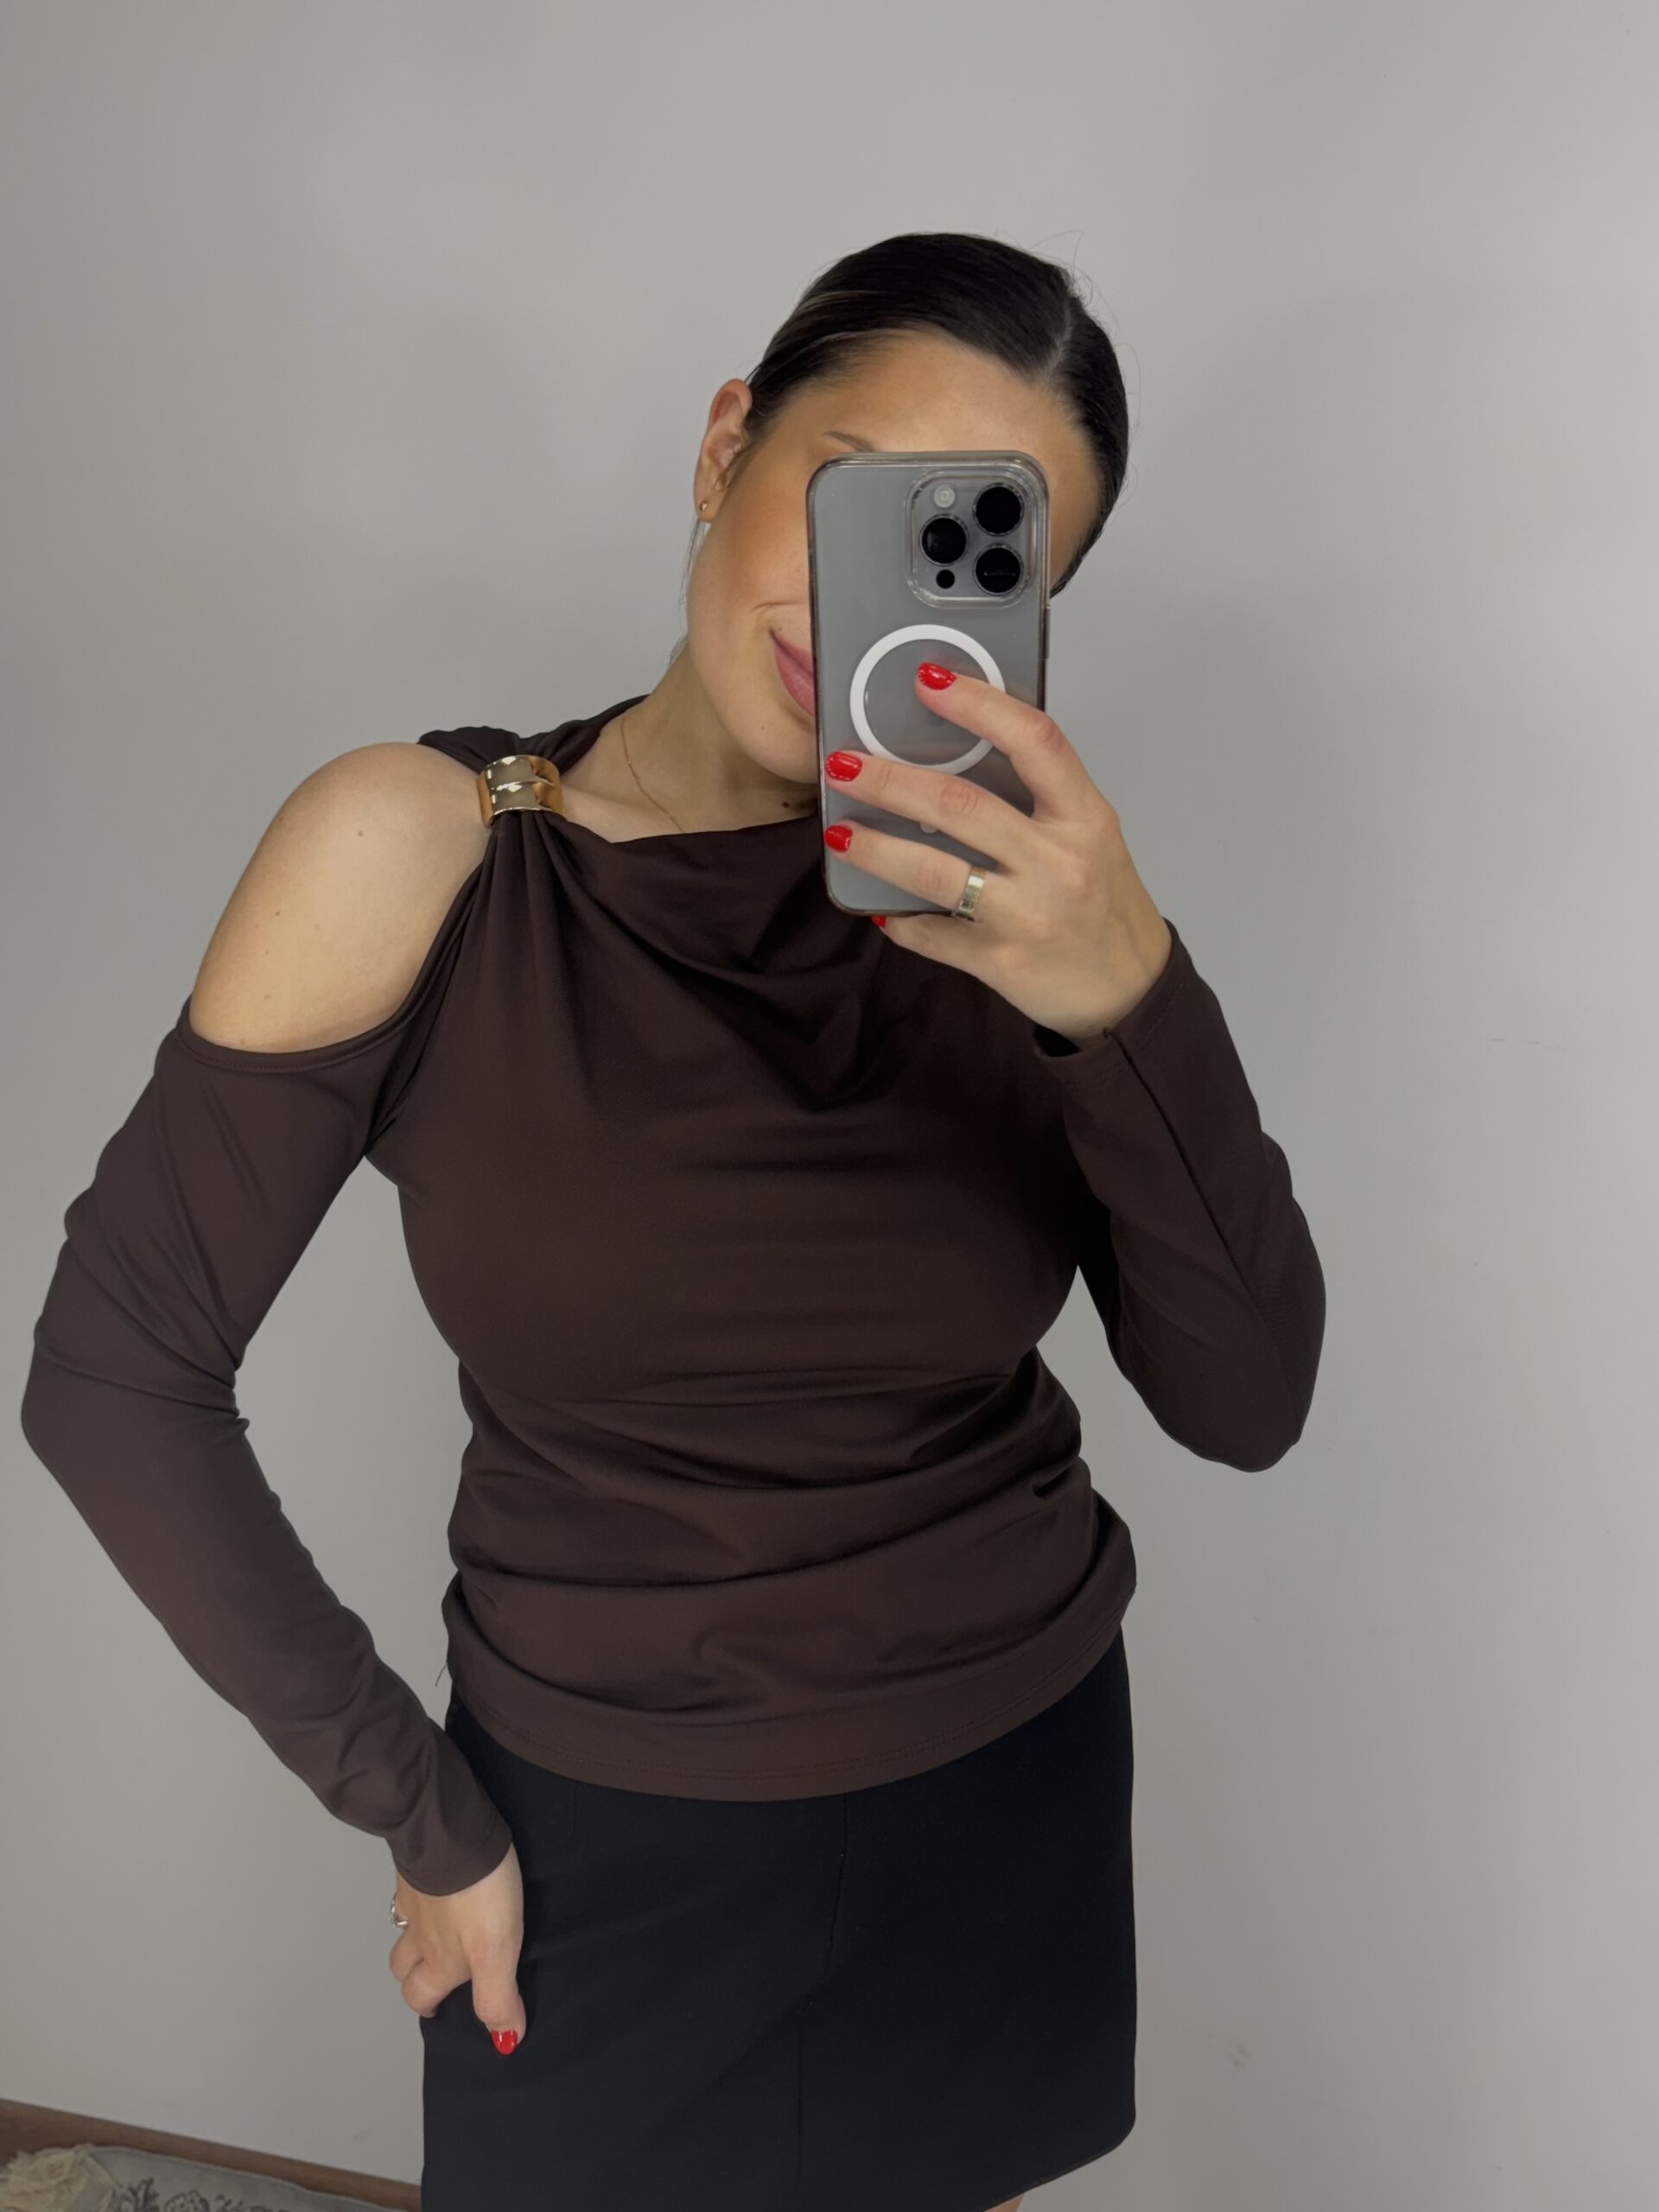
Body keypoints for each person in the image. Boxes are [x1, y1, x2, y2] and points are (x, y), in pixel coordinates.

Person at [20, 230, 1325, 2212]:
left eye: (975, 559)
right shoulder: (428, 853)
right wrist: (422, 1808)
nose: (873, 603)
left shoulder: (1035, 919)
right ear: (728, 445)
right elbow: (115, 1374)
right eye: (856, 495)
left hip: (1013, 1774)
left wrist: (1127, 988)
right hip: (601, 1828)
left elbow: (1246, 1396)